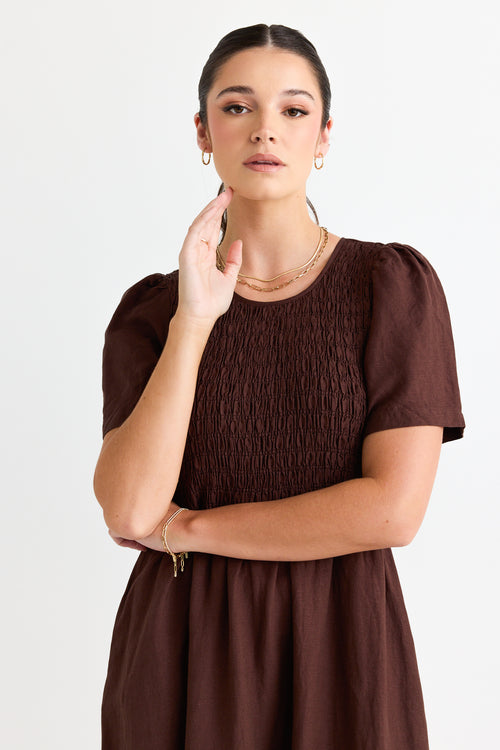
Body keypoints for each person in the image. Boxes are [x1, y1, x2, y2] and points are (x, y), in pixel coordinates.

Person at [93, 23, 465, 750]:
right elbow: (130, 506)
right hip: (180, 651)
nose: (266, 128)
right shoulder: (151, 313)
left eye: (294, 111)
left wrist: (190, 529)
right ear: (203, 132)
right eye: (237, 107)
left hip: (343, 650)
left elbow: (392, 511)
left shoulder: (391, 289)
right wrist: (195, 321)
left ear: (324, 136)